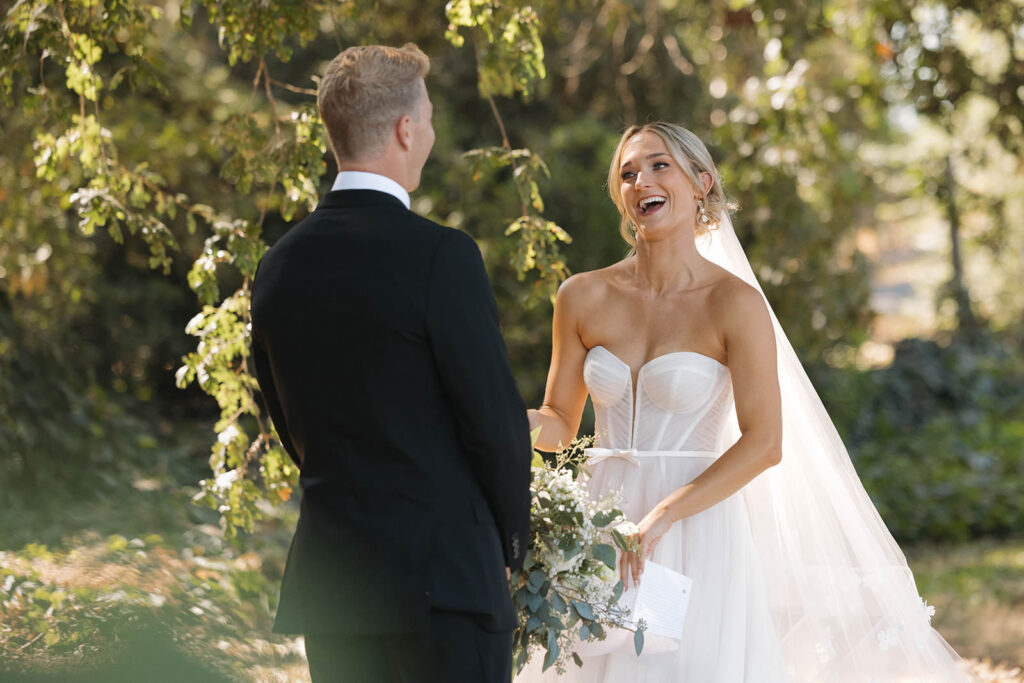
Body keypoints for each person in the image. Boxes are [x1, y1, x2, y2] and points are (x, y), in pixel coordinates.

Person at [517, 122, 972, 681]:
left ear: (701, 182)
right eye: (628, 173)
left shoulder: (735, 304)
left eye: (660, 165)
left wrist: (664, 514)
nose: (642, 182)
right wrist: (500, 421)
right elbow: (561, 423)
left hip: (696, 520)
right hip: (600, 520)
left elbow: (765, 442)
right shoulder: (581, 295)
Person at [250, 44, 533, 683]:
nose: (429, 131)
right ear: (406, 129)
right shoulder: (442, 257)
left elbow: (292, 426)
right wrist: (510, 544)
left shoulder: (278, 266)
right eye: (427, 118)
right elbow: (495, 425)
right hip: (445, 588)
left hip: (337, 589)